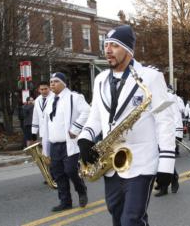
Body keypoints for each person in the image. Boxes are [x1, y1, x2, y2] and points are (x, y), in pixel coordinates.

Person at [78, 25, 175, 226]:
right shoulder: (100, 79)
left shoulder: (151, 77)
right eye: (106, 45)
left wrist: (166, 164)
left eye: (115, 45)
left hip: (141, 161)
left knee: (131, 220)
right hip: (111, 163)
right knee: (117, 217)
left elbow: (164, 121)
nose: (108, 50)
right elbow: (95, 116)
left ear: (129, 50)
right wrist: (85, 139)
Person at [40, 72, 90, 212]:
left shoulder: (74, 97)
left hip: (69, 144)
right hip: (54, 144)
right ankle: (65, 201)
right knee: (58, 174)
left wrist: (76, 129)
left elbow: (87, 111)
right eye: (51, 82)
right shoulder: (49, 101)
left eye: (55, 81)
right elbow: (46, 125)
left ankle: (81, 190)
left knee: (70, 170)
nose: (52, 84)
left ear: (63, 83)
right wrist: (46, 149)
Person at [32, 81, 53, 156]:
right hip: (43, 131)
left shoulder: (55, 97)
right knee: (46, 153)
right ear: (39, 90)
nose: (43, 91)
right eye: (42, 89)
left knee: (54, 153)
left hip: (54, 130)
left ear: (49, 88)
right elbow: (35, 116)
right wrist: (34, 132)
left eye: (45, 89)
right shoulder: (37, 100)